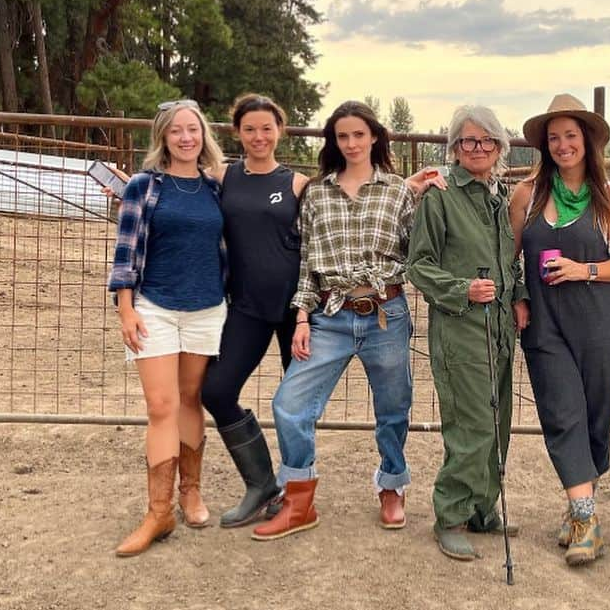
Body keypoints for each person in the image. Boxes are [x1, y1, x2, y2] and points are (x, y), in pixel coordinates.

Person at [254, 100, 441, 540]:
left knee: (394, 408)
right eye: (343, 136)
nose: (352, 143)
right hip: (329, 316)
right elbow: (306, 262)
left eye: (359, 134)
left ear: (374, 136)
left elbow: (417, 253)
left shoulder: (398, 192)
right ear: (334, 142)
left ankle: (392, 484)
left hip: (385, 314)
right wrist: (301, 317)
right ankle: (299, 497)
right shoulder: (317, 193)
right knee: (290, 405)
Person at [509, 93, 610, 567]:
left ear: (587, 140)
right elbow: (511, 256)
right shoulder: (528, 194)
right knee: (562, 412)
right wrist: (520, 296)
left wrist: (583, 269)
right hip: (545, 322)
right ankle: (588, 520)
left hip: (598, 319)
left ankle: (578, 503)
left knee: (595, 416)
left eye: (571, 135)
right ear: (545, 145)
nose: (563, 145)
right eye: (555, 137)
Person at [407, 105, 529, 562]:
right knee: (471, 424)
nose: (477, 149)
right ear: (454, 148)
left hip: (497, 327)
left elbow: (507, 260)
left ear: (499, 147)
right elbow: (418, 265)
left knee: (498, 420)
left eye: (486, 141)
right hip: (460, 329)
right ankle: (452, 514)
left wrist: (518, 296)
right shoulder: (439, 198)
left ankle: (483, 507)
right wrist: (462, 289)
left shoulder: (499, 195)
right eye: (467, 141)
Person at [108, 99, 228, 557]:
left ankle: (190, 491)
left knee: (191, 399)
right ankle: (159, 512)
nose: (185, 138)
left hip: (206, 308)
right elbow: (126, 250)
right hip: (154, 306)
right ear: (163, 137)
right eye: (176, 131)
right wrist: (126, 307)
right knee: (162, 404)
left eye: (192, 130)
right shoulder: (144, 187)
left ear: (203, 135)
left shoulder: (216, 187)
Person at [199, 93, 309, 528]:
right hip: (245, 305)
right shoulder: (222, 176)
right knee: (217, 391)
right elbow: (177, 192)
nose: (259, 136)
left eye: (267, 128)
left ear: (280, 130)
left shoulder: (299, 183)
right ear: (237, 133)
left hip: (295, 309)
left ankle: (298, 491)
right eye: (250, 129)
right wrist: (131, 187)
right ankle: (261, 482)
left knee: (296, 404)